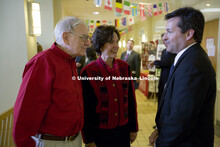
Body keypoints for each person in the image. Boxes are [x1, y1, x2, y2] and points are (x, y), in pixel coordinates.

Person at [13, 16, 90, 147]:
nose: (88, 43)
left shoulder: (70, 61)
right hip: (52, 142)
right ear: (66, 37)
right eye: (84, 37)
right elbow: (25, 112)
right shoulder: (43, 63)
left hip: (74, 140)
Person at [149, 7, 216, 147]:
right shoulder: (187, 57)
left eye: (169, 32)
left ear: (188, 34)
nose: (164, 37)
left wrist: (160, 143)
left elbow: (180, 119)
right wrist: (159, 129)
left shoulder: (193, 64)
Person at [81, 25, 138, 147]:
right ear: (100, 45)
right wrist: (88, 139)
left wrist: (133, 128)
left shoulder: (125, 68)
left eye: (117, 41)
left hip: (123, 131)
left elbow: (131, 100)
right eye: (111, 42)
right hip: (99, 134)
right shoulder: (88, 72)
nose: (116, 46)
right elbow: (86, 109)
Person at [148, 34, 176, 105]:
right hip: (162, 78)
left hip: (170, 78)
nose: (164, 42)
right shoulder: (163, 51)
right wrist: (157, 65)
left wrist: (155, 62)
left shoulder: (174, 50)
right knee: (160, 99)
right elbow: (162, 63)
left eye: (166, 40)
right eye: (163, 40)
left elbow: (167, 62)